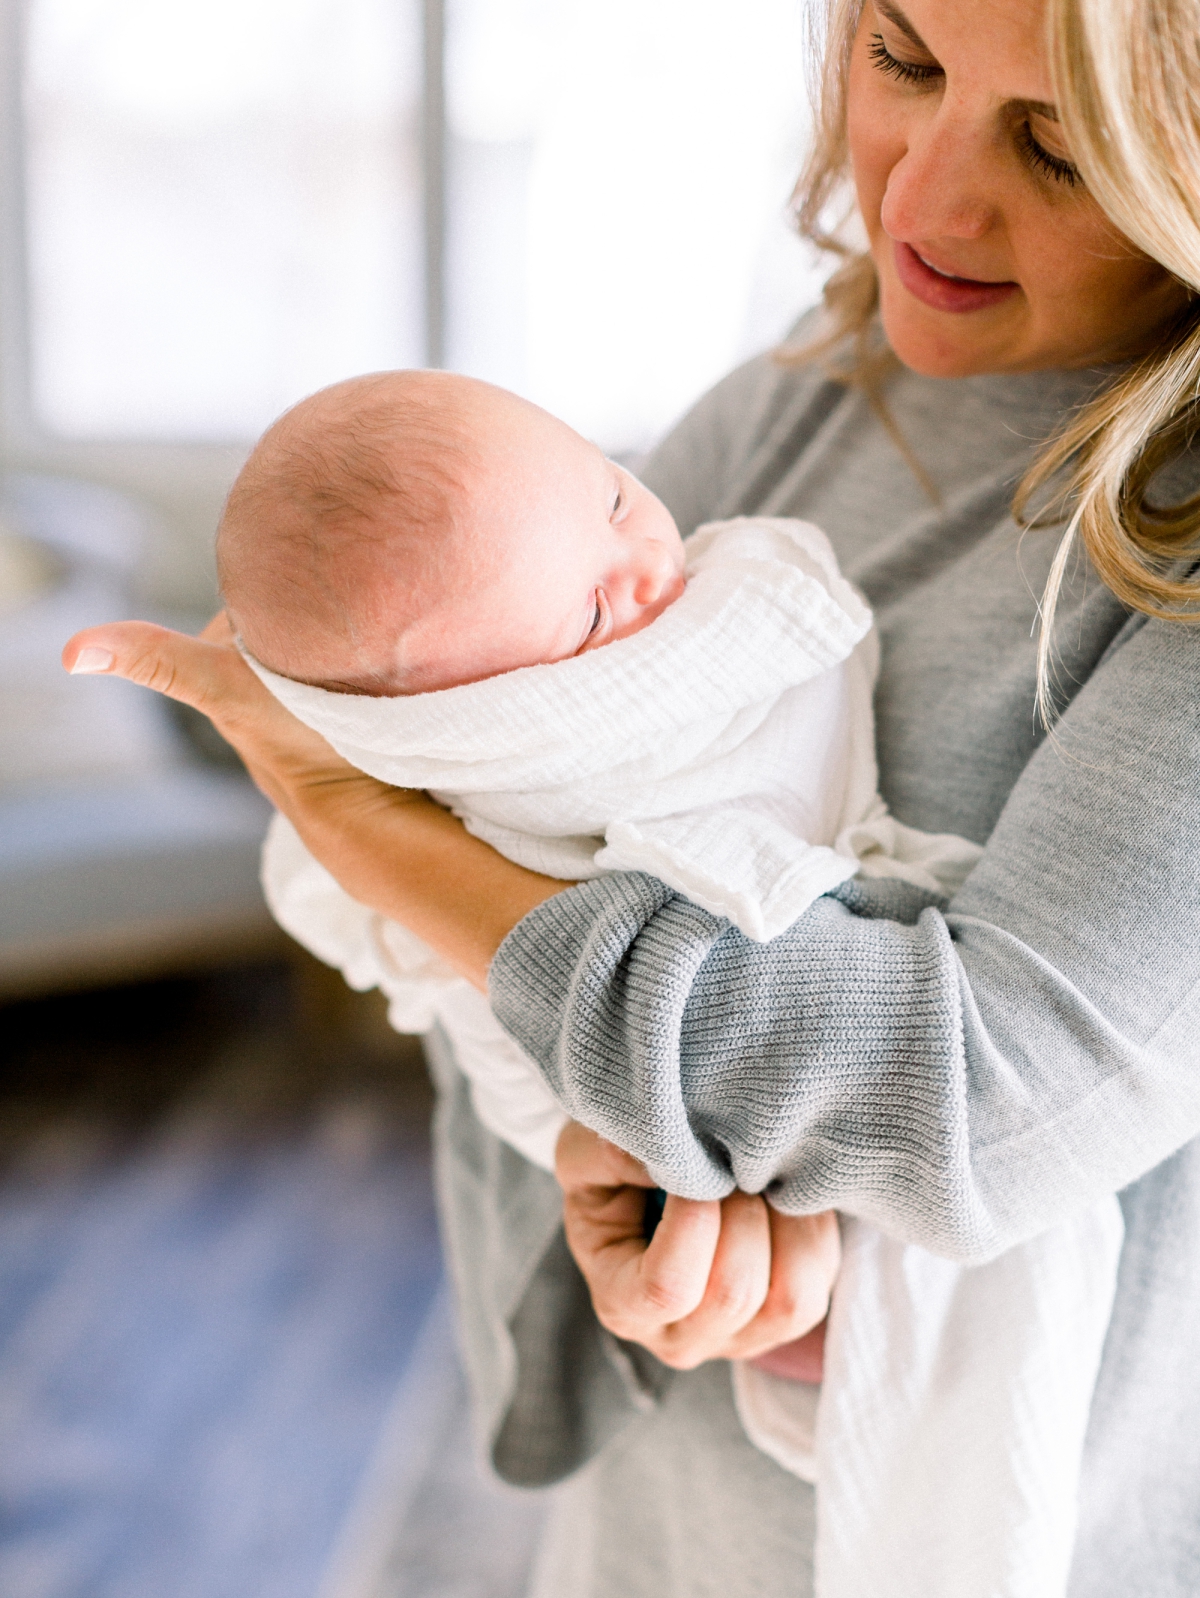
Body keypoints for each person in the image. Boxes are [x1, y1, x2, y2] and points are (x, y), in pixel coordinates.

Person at [64, 0, 1200, 1591]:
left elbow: (970, 1099)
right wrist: (607, 1185)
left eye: (1061, 148)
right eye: (904, 59)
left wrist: (373, 833)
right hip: (669, 1529)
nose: (925, 206)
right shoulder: (801, 400)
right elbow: (530, 911)